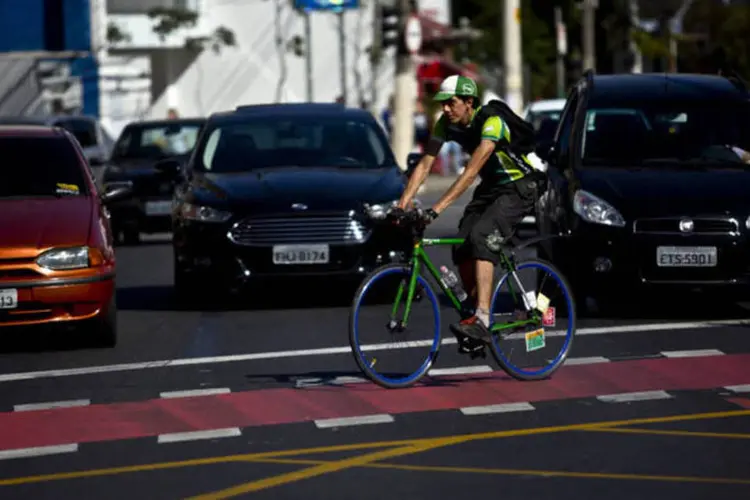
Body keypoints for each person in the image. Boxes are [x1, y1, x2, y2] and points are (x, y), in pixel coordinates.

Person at [396, 75, 541, 344]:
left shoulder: (492, 123)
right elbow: (426, 164)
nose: (446, 110)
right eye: (443, 104)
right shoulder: (445, 124)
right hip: (493, 187)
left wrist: (436, 209)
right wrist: (402, 204)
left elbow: (471, 171)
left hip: (520, 186)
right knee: (462, 244)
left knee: (482, 236)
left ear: (469, 102)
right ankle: (473, 309)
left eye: (451, 103)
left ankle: (484, 319)